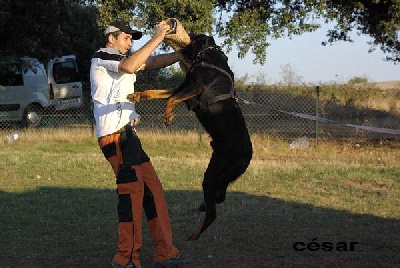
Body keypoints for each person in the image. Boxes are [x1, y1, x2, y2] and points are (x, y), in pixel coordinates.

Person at [90, 20, 191, 268]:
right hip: (116, 137)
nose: (130, 42)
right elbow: (130, 64)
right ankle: (125, 259)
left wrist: (181, 52)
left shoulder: (124, 59)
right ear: (111, 38)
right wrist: (158, 37)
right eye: (126, 37)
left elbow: (153, 62)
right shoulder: (103, 55)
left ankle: (165, 252)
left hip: (128, 137)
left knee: (153, 191)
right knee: (131, 194)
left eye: (132, 38)